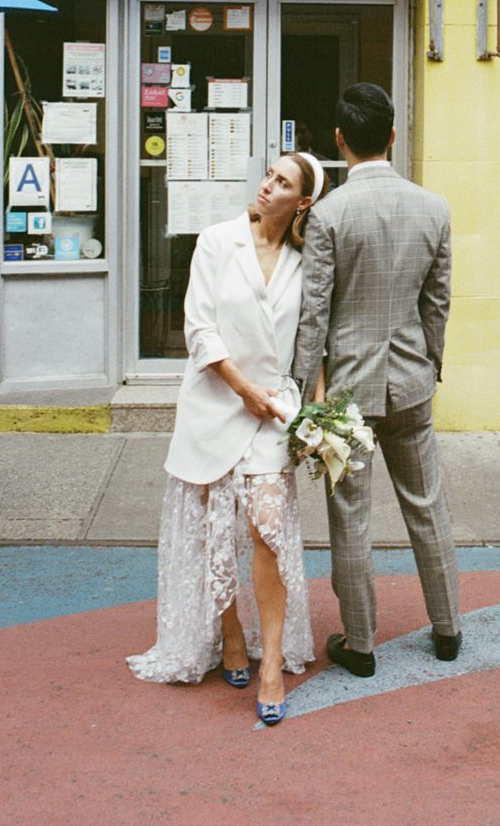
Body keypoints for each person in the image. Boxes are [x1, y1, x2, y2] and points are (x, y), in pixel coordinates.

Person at [127, 152, 327, 726]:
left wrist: (316, 412)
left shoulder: (306, 261)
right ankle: (230, 631)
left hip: (274, 411)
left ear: (303, 202)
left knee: (267, 529)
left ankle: (271, 666)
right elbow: (199, 328)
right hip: (217, 399)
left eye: (283, 182)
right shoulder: (217, 241)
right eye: (269, 175)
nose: (268, 186)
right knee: (214, 530)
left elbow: (314, 343)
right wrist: (242, 390)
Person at [292, 83, 461, 676]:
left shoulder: (329, 214)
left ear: (339, 140)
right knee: (427, 506)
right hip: (411, 379)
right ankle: (448, 628)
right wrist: (431, 363)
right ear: (392, 134)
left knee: (351, 517)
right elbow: (437, 302)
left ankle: (361, 643)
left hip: (348, 392)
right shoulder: (433, 208)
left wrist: (301, 395)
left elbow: (314, 315)